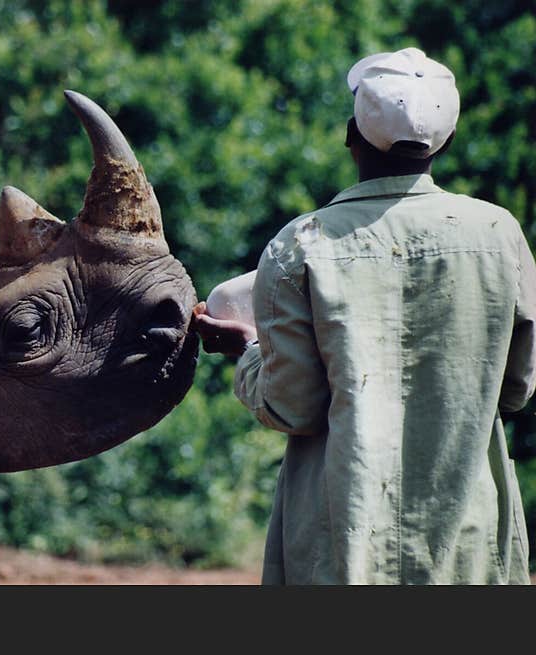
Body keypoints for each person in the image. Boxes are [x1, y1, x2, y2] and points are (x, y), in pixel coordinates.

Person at [193, 47, 536, 584]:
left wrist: (248, 352)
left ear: (351, 134)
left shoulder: (299, 247)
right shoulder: (499, 237)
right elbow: (514, 390)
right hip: (465, 545)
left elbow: (291, 406)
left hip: (341, 545)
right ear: (445, 142)